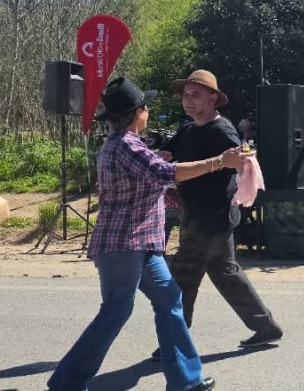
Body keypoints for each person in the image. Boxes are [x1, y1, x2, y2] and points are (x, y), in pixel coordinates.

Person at [47, 77, 236, 391]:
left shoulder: (124, 144)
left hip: (142, 242)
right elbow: (166, 172)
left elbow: (143, 182)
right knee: (115, 312)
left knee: (169, 298)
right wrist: (219, 162)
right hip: (123, 245)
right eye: (145, 107)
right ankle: (66, 383)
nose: (148, 111)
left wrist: (162, 194)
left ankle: (186, 381)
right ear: (137, 113)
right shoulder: (126, 144)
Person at [156, 69, 283, 358]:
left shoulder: (222, 130)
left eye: (195, 95)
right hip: (197, 216)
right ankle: (265, 326)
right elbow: (167, 156)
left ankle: (175, 344)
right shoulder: (187, 129)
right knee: (227, 273)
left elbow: (241, 161)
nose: (188, 100)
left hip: (211, 219)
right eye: (186, 95)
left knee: (181, 279)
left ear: (213, 98)